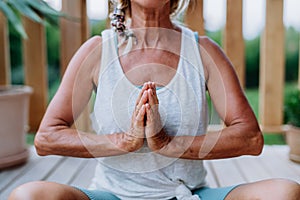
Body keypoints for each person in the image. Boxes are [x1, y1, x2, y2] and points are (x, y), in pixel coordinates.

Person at [9, 0, 300, 199]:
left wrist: (168, 143)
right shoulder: (97, 50)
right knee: (27, 195)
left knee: (285, 192)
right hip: (113, 195)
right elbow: (47, 137)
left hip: (188, 194)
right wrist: (125, 140)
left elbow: (249, 137)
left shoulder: (204, 52)